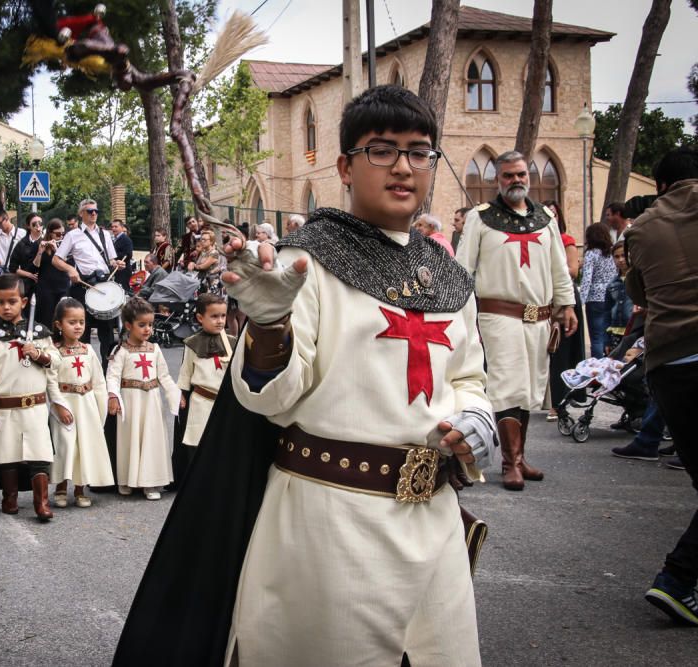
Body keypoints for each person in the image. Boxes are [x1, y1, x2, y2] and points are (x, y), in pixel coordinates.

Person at [115, 85, 493, 666]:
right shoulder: (305, 263)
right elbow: (275, 397)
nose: (403, 167)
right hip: (332, 522)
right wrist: (267, 328)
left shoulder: (445, 271)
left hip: (435, 517)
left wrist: (476, 417)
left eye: (420, 152)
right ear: (344, 165)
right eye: (381, 150)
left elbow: (468, 375)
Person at [457, 150, 577, 491]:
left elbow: (558, 267)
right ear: (498, 179)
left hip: (538, 319)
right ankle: (510, 463)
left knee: (528, 390)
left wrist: (565, 304)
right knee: (507, 387)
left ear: (529, 176)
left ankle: (520, 457)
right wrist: (461, 315)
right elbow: (464, 268)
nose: (516, 181)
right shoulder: (480, 218)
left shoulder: (546, 218)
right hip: (499, 317)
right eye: (509, 175)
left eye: (521, 174)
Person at [622, 147, 698, 625]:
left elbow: (638, 293)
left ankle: (679, 579)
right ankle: (677, 578)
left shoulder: (642, 228)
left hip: (670, 363)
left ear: (661, 184)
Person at [0, 273, 54, 520]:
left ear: (23, 302)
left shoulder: (41, 333)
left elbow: (57, 363)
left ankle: (40, 502)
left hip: (35, 405)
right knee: (8, 454)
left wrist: (39, 354)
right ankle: (9, 497)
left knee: (39, 454)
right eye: (0, 302)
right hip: (7, 408)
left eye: (12, 301)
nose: (6, 307)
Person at [106, 297, 179, 500]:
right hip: (130, 403)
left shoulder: (155, 349)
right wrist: (113, 396)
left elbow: (164, 376)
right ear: (128, 325)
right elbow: (112, 376)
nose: (148, 329)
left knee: (151, 439)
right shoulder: (121, 351)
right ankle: (126, 480)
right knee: (129, 440)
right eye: (142, 325)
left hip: (152, 402)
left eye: (150, 325)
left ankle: (151, 482)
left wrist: (175, 395)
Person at [47, 297, 114, 508]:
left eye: (81, 322)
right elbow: (50, 382)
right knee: (65, 446)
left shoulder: (88, 350)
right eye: (72, 322)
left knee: (83, 446)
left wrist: (100, 408)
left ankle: (79, 488)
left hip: (86, 406)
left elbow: (98, 381)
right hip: (65, 405)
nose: (78, 327)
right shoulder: (53, 351)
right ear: (59, 324)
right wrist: (58, 406)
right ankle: (60, 486)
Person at [51, 198, 124, 362]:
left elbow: (111, 260)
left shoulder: (105, 235)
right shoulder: (72, 235)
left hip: (104, 286)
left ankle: (106, 373)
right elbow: (56, 259)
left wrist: (117, 263)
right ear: (81, 213)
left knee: (107, 335)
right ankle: (83, 369)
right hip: (83, 286)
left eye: (95, 211)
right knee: (82, 332)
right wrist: (70, 269)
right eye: (90, 211)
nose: (93, 214)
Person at [176, 293, 234, 468]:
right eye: (214, 316)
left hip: (224, 403)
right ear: (200, 318)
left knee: (223, 443)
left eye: (223, 316)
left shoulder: (232, 342)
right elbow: (186, 372)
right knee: (198, 442)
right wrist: (182, 394)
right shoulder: (193, 343)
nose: (220, 321)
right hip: (201, 402)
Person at [543, 199, 585, 421]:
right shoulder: (537, 240)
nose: (550, 217)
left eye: (554, 214)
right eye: (546, 213)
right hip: (541, 298)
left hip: (562, 298)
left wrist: (550, 271)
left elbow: (573, 270)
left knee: (559, 350)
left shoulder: (565, 240)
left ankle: (558, 404)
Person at [580, 222, 618, 359]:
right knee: (609, 335)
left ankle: (596, 367)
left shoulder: (591, 254)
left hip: (594, 299)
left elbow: (587, 279)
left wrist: (581, 300)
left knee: (596, 337)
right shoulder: (612, 253)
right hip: (611, 296)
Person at [8, 214, 45, 320]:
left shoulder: (47, 241)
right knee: (26, 315)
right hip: (27, 285)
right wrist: (29, 275)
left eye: (40, 223)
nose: (38, 226)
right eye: (34, 224)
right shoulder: (22, 244)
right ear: (28, 226)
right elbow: (13, 267)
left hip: (43, 284)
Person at [605, 241, 633, 353]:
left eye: (623, 255)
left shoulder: (638, 280)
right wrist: (606, 340)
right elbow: (606, 311)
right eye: (616, 257)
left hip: (633, 330)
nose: (620, 260)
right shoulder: (612, 284)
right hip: (615, 332)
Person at [188, 229, 222, 295]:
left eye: (204, 240)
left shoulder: (214, 253)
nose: (202, 241)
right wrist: (193, 263)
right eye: (201, 239)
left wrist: (193, 265)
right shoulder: (203, 252)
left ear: (211, 241)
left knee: (210, 302)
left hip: (211, 282)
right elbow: (198, 264)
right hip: (202, 280)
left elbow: (203, 266)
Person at [110, 219, 134, 291]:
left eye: (116, 227)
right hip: (115, 269)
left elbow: (128, 254)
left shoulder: (126, 239)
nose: (113, 228)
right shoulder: (114, 239)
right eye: (112, 227)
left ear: (122, 227)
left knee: (123, 290)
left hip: (124, 269)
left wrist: (113, 256)